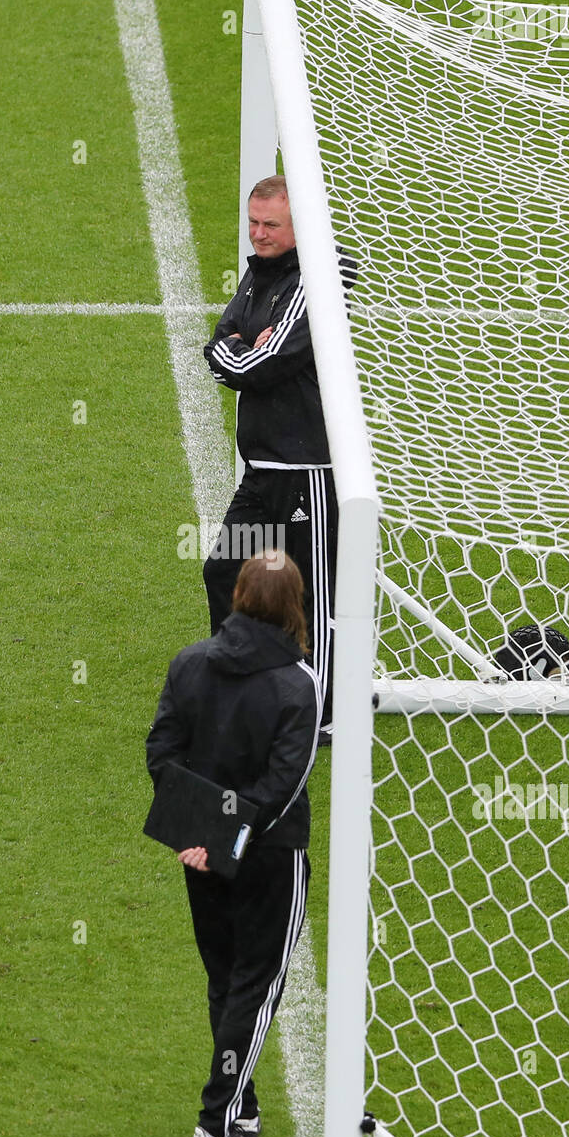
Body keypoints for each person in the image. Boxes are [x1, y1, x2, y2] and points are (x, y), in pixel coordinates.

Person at [146, 550, 321, 1137]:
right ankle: (215, 1125)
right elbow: (283, 786)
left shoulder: (190, 663)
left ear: (240, 595)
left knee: (226, 980)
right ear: (294, 604)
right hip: (268, 855)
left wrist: (197, 839)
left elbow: (162, 753)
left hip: (202, 856)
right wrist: (229, 839)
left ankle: (241, 1110)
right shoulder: (300, 685)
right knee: (258, 984)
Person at [202, 175, 356, 742]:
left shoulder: (323, 275)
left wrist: (246, 350)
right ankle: (242, 687)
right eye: (254, 222)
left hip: (308, 476)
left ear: (302, 227)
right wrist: (245, 347)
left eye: (271, 225)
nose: (258, 234)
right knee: (225, 571)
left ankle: (323, 713)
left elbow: (252, 366)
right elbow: (219, 351)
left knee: (313, 597)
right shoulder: (261, 273)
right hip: (262, 474)